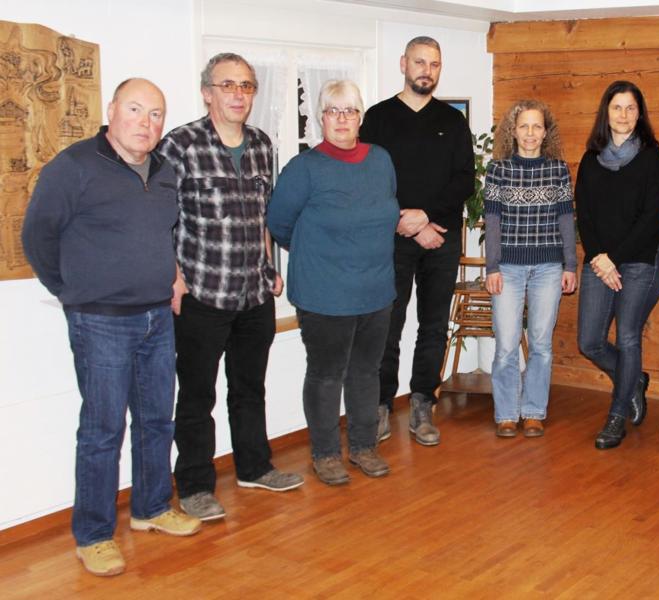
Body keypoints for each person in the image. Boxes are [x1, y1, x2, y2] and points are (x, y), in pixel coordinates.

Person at [22, 78, 202, 577]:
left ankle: (151, 508)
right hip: (100, 321)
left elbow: (158, 236)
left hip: (157, 317)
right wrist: (72, 290)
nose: (146, 123)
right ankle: (95, 535)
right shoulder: (75, 167)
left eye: (156, 114)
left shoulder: (165, 172)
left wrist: (172, 276)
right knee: (103, 431)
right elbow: (36, 236)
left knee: (156, 421)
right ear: (112, 111)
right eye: (136, 110)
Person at [160, 53, 303, 522]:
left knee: (249, 388)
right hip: (202, 292)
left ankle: (254, 467)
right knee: (197, 394)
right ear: (208, 92)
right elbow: (159, 220)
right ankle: (197, 486)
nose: (239, 94)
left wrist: (271, 265)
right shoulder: (180, 145)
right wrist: (173, 277)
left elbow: (267, 215)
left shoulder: (263, 145)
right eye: (228, 85)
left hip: (253, 292)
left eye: (246, 85)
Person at [267, 80, 398, 485]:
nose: (342, 119)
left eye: (349, 111)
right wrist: (318, 254)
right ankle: (325, 455)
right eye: (333, 111)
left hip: (376, 290)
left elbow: (387, 210)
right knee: (325, 375)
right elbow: (279, 224)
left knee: (365, 372)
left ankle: (362, 447)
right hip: (324, 295)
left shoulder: (380, 160)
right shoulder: (305, 167)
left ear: (360, 117)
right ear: (321, 118)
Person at [359, 36, 474, 447]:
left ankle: (423, 401)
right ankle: (381, 405)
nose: (427, 70)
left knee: (434, 324)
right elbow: (369, 182)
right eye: (420, 62)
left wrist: (426, 218)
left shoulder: (453, 121)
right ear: (403, 63)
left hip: (441, 236)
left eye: (435, 64)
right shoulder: (377, 118)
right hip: (391, 237)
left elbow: (463, 178)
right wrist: (403, 220)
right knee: (387, 325)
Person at [575, 80, 659, 450]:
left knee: (628, 336)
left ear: (639, 113)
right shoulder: (590, 159)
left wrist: (613, 258)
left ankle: (617, 414)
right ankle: (634, 381)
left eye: (631, 108)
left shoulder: (651, 157)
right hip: (601, 262)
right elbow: (584, 214)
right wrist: (600, 257)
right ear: (606, 112)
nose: (624, 115)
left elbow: (651, 217)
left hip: (642, 262)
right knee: (589, 341)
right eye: (618, 107)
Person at [483, 99, 577, 438]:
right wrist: (491, 266)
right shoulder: (498, 170)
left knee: (540, 343)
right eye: (524, 126)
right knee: (507, 343)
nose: (530, 133)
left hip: (549, 268)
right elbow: (491, 222)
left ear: (546, 132)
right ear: (513, 131)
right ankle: (507, 414)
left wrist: (570, 264)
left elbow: (567, 219)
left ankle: (534, 411)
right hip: (507, 267)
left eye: (537, 126)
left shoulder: (558, 170)